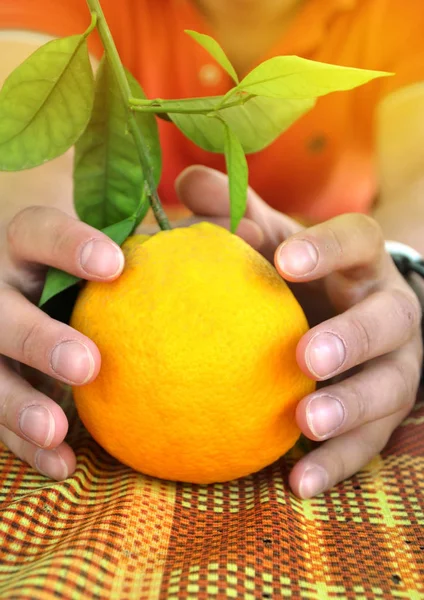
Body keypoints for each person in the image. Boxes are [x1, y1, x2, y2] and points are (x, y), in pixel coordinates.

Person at [0, 0, 422, 499]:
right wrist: (31, 245)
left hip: (306, 326)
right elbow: (32, 158)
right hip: (121, 315)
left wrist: (399, 272)